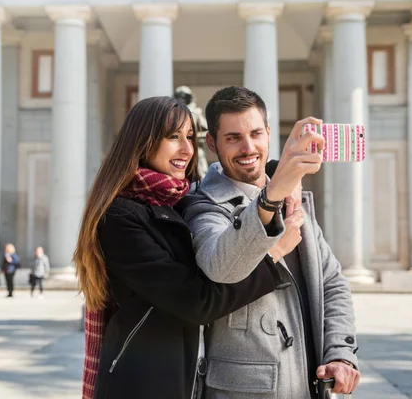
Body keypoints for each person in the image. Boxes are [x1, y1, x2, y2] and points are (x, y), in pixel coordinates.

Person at [74, 96, 286, 399]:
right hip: (142, 384)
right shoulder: (120, 217)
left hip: (185, 379)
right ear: (143, 141)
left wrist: (281, 174)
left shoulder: (179, 203)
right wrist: (271, 256)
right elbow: (197, 302)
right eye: (173, 137)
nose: (187, 150)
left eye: (190, 137)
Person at [182, 86, 360, 398]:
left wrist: (340, 353)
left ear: (268, 132)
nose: (248, 147)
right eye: (233, 137)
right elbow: (220, 267)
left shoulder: (295, 197)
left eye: (255, 133)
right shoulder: (201, 203)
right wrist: (271, 195)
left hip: (308, 385)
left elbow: (331, 282)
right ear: (211, 143)